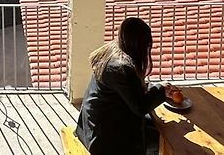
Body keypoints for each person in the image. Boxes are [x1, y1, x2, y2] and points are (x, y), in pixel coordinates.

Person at [75, 17, 179, 155]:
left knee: (156, 127)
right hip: (102, 140)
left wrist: (155, 89)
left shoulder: (112, 51)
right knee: (161, 139)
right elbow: (140, 107)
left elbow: (127, 90)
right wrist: (161, 89)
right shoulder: (121, 68)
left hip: (93, 124)